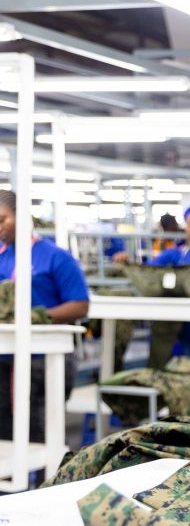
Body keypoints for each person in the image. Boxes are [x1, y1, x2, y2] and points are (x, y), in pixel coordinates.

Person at [0, 190, 89, 443]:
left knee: (40, 432)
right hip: (5, 357)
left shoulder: (55, 257)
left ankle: (46, 470)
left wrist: (38, 317)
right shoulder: (2, 255)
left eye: (2, 219)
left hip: (45, 360)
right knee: (4, 432)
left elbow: (80, 305)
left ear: (21, 216)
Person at [113, 205, 190, 360]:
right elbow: (149, 270)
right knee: (187, 360)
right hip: (181, 323)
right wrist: (127, 262)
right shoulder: (175, 253)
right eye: (189, 224)